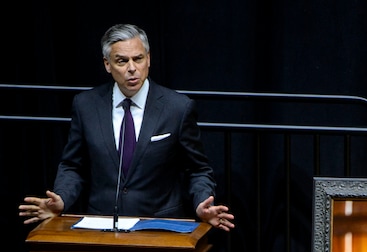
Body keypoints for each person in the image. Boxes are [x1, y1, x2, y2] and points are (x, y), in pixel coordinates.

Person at [18, 23, 234, 231]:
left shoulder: (177, 108)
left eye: (138, 59)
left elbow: (197, 169)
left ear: (148, 59)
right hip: (102, 226)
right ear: (107, 64)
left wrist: (201, 203)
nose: (132, 69)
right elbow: (73, 165)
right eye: (122, 61)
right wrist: (62, 198)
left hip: (159, 227)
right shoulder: (86, 105)